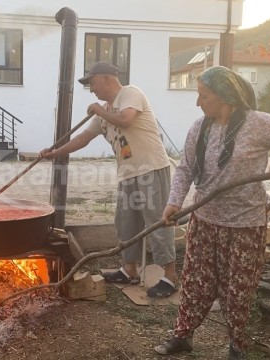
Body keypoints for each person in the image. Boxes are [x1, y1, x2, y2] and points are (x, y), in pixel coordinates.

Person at [154, 66, 270, 359]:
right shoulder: (199, 128)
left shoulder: (258, 123)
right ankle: (182, 336)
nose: (198, 102)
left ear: (225, 96)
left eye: (204, 95)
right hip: (205, 221)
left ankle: (237, 345)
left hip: (245, 225)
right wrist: (174, 202)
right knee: (194, 284)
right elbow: (186, 169)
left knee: (238, 291)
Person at [40, 61, 178, 298]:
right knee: (126, 223)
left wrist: (98, 109)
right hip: (127, 173)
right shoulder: (103, 111)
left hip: (151, 168)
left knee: (157, 221)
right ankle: (129, 270)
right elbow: (83, 138)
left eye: (92, 83)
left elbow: (126, 120)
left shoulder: (130, 94)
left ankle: (170, 276)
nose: (91, 89)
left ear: (106, 79)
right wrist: (56, 152)